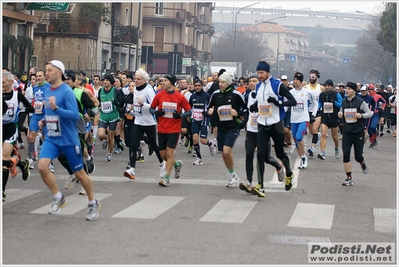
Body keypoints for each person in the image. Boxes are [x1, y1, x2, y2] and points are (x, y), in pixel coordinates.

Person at [38, 60, 101, 220]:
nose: (46, 73)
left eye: (49, 70)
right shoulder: (47, 91)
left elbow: (74, 115)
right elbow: (49, 112)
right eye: (46, 70)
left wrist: (57, 109)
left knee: (79, 173)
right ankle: (58, 197)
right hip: (52, 138)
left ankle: (93, 202)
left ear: (59, 72)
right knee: (42, 166)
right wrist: (45, 120)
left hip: (68, 139)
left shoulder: (67, 92)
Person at [249, 61, 297, 193]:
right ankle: (260, 185)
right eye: (258, 73)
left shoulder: (278, 85)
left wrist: (278, 102)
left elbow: (292, 101)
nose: (260, 75)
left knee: (280, 153)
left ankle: (289, 174)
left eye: (262, 73)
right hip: (262, 124)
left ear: (268, 72)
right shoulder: (258, 86)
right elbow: (260, 102)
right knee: (260, 154)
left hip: (276, 123)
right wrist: (254, 107)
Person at [239, 74, 283, 194]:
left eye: (255, 81)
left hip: (263, 130)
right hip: (251, 130)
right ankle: (249, 182)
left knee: (265, 158)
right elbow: (245, 110)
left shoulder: (265, 95)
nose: (252, 83)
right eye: (250, 81)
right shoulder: (247, 96)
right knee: (248, 154)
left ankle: (278, 166)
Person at [206, 72, 247, 188]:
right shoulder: (215, 94)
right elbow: (209, 106)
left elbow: (246, 109)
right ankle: (232, 173)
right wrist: (209, 111)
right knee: (223, 153)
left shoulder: (236, 94)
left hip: (233, 126)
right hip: (221, 127)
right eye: (220, 82)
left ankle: (231, 175)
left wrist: (237, 113)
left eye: (223, 82)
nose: (221, 84)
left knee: (226, 151)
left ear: (228, 83)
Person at [150, 74, 191, 187]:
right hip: (162, 128)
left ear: (172, 83)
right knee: (163, 155)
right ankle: (177, 164)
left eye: (166, 80)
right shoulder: (159, 95)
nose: (163, 82)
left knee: (169, 153)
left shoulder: (179, 97)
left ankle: (166, 178)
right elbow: (151, 109)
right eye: (162, 80)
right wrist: (157, 113)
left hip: (174, 129)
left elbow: (189, 111)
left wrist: (180, 115)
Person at [123, 69, 166, 180]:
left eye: (138, 79)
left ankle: (162, 163)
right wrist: (134, 106)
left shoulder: (149, 90)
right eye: (135, 79)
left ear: (144, 80)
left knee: (154, 145)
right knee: (133, 144)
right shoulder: (136, 89)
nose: (136, 81)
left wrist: (143, 104)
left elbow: (154, 107)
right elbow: (136, 102)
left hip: (149, 122)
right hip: (138, 120)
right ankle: (132, 168)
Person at [2, 71, 32, 201]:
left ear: (10, 82)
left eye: (3, 82)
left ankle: (2, 191)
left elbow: (29, 108)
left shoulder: (17, 95)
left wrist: (20, 118)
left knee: (3, 157)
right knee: (4, 160)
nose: (1, 85)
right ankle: (21, 163)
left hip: (10, 129)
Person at [337, 82, 372, 186]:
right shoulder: (344, 102)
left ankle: (362, 162)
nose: (346, 90)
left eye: (349, 89)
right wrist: (340, 114)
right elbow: (341, 111)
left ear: (354, 91)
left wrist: (361, 115)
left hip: (358, 132)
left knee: (358, 156)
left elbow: (369, 113)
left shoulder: (360, 102)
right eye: (346, 88)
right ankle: (349, 178)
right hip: (347, 132)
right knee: (346, 154)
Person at [289, 72, 318, 169]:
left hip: (304, 118)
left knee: (299, 137)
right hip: (294, 119)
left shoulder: (307, 92)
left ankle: (304, 157)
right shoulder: (291, 92)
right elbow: (286, 103)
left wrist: (313, 113)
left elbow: (315, 103)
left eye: (297, 80)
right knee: (296, 141)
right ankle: (303, 157)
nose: (295, 81)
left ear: (301, 81)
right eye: (294, 79)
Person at [188, 79, 215, 165]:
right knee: (194, 138)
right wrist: (189, 115)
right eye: (195, 85)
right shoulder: (192, 96)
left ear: (202, 86)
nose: (197, 87)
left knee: (203, 140)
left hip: (204, 120)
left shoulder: (207, 96)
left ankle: (210, 143)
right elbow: (189, 107)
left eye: (199, 85)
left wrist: (208, 112)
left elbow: (212, 106)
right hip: (195, 120)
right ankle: (199, 158)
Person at [97, 74, 123, 161]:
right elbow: (99, 102)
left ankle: (109, 154)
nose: (105, 82)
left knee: (111, 135)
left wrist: (117, 104)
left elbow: (121, 103)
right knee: (100, 135)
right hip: (103, 115)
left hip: (113, 116)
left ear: (111, 82)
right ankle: (106, 139)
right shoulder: (100, 91)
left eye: (107, 80)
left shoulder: (115, 91)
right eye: (104, 80)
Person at [317, 79, 343, 160]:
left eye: (329, 86)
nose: (327, 87)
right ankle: (322, 152)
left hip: (334, 117)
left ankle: (336, 149)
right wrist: (318, 108)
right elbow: (320, 103)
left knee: (334, 136)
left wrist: (334, 102)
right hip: (325, 117)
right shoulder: (322, 95)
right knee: (323, 134)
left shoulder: (336, 94)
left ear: (332, 87)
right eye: (326, 86)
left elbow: (341, 104)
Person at [306, 69, 324, 157]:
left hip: (318, 111)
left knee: (314, 129)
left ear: (317, 77)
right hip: (308, 111)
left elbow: (324, 98)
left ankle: (312, 148)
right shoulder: (305, 87)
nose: (311, 78)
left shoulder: (321, 88)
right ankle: (317, 136)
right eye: (310, 77)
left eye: (313, 77)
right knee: (311, 131)